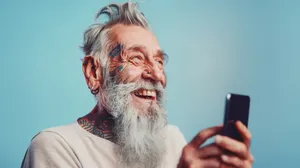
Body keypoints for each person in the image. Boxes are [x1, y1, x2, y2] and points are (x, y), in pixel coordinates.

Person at [21, 2, 254, 168]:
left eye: (159, 61)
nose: (155, 74)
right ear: (94, 71)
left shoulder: (172, 139)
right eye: (136, 58)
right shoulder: (55, 146)